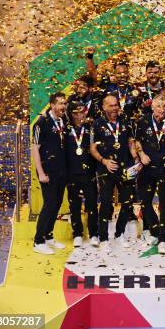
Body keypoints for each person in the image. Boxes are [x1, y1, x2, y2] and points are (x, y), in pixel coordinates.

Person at [90, 94, 140, 251]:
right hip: (106, 169)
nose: (114, 108)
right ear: (104, 107)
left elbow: (131, 142)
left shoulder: (126, 121)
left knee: (127, 202)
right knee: (105, 204)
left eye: (116, 105)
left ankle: (119, 234)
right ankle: (103, 238)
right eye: (111, 105)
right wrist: (104, 161)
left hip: (126, 168)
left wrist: (136, 158)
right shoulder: (97, 124)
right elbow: (92, 148)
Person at [134, 94, 165, 253]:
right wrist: (141, 154)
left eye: (164, 106)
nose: (162, 109)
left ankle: (163, 239)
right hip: (147, 168)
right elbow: (137, 140)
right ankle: (154, 231)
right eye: (159, 106)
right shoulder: (143, 121)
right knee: (145, 201)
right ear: (152, 107)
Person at [32, 92, 68, 255]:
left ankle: (48, 236)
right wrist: (40, 173)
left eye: (64, 103)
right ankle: (38, 241)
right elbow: (35, 149)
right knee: (49, 204)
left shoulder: (63, 120)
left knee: (57, 203)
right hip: (47, 171)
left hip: (61, 170)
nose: (63, 106)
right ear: (52, 105)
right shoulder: (41, 123)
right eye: (60, 103)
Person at [65, 100, 98, 248]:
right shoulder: (65, 130)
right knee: (75, 205)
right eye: (77, 112)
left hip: (89, 173)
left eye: (83, 111)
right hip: (72, 173)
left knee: (91, 204)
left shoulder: (90, 128)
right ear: (71, 114)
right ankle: (77, 233)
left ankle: (94, 234)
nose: (81, 115)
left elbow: (95, 150)